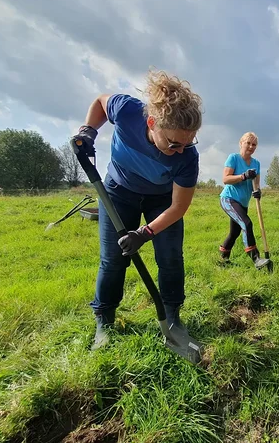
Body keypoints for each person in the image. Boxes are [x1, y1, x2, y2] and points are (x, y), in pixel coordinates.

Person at [70, 70, 203, 350]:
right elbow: (99, 102)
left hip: (161, 201)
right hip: (119, 192)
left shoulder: (187, 158)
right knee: (114, 258)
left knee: (170, 258)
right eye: (174, 143)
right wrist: (88, 131)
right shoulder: (128, 110)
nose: (181, 150)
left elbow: (179, 206)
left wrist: (145, 232)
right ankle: (104, 321)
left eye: (188, 143)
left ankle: (172, 317)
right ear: (152, 122)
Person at [218, 132, 271, 269]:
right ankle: (256, 259)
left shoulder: (256, 163)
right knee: (246, 223)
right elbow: (226, 179)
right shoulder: (234, 158)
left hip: (243, 202)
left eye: (254, 144)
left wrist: (258, 191)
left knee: (234, 232)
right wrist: (243, 176)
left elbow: (256, 184)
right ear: (241, 143)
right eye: (248, 143)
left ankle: (222, 259)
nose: (251, 146)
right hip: (229, 199)